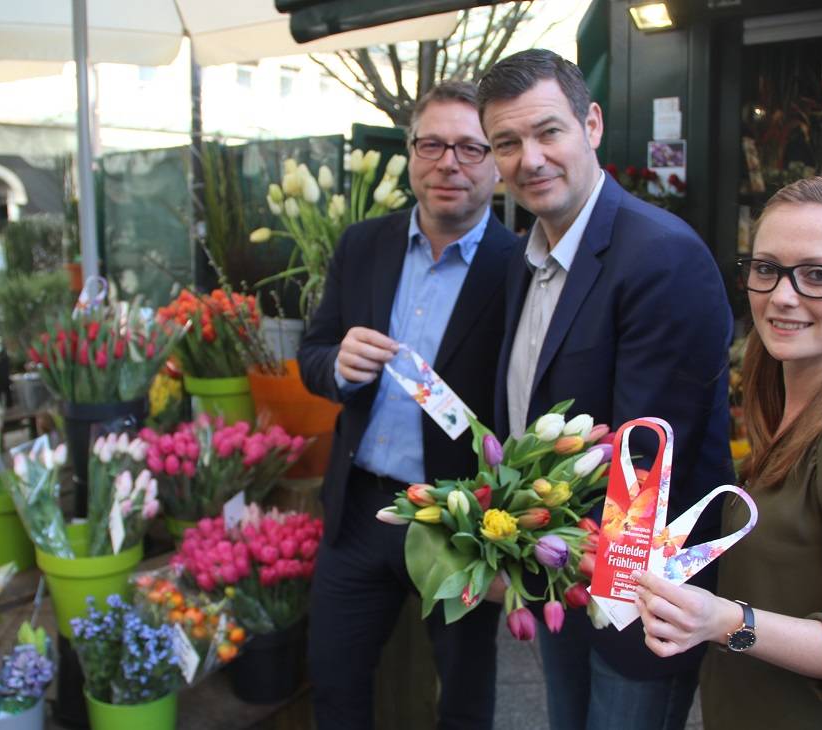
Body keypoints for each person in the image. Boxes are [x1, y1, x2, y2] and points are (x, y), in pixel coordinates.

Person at [476, 49, 734, 730]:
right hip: (558, 568)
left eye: (547, 132)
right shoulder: (524, 257)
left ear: (590, 124)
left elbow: (648, 464)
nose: (530, 159)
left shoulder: (659, 254)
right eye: (507, 142)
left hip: (636, 593)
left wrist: (548, 549)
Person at [635, 172, 822, 729]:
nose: (783, 296)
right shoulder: (775, 391)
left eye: (819, 274)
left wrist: (728, 623)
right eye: (767, 269)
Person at [297, 80, 517, 730]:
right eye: (432, 144)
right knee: (334, 684)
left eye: (470, 148)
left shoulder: (521, 268)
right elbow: (313, 353)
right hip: (360, 512)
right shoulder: (362, 244)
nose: (449, 163)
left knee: (463, 702)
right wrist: (336, 367)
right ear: (411, 151)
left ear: (496, 164)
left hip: (459, 521)